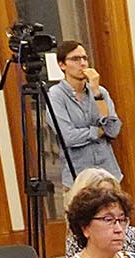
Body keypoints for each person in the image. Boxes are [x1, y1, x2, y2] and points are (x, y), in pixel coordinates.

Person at [45, 39, 123, 182]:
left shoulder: (100, 92)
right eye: (75, 59)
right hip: (79, 178)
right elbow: (68, 137)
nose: (82, 63)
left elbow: (113, 130)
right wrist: (98, 131)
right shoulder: (56, 95)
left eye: (84, 58)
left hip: (108, 175)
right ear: (62, 65)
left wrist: (96, 92)